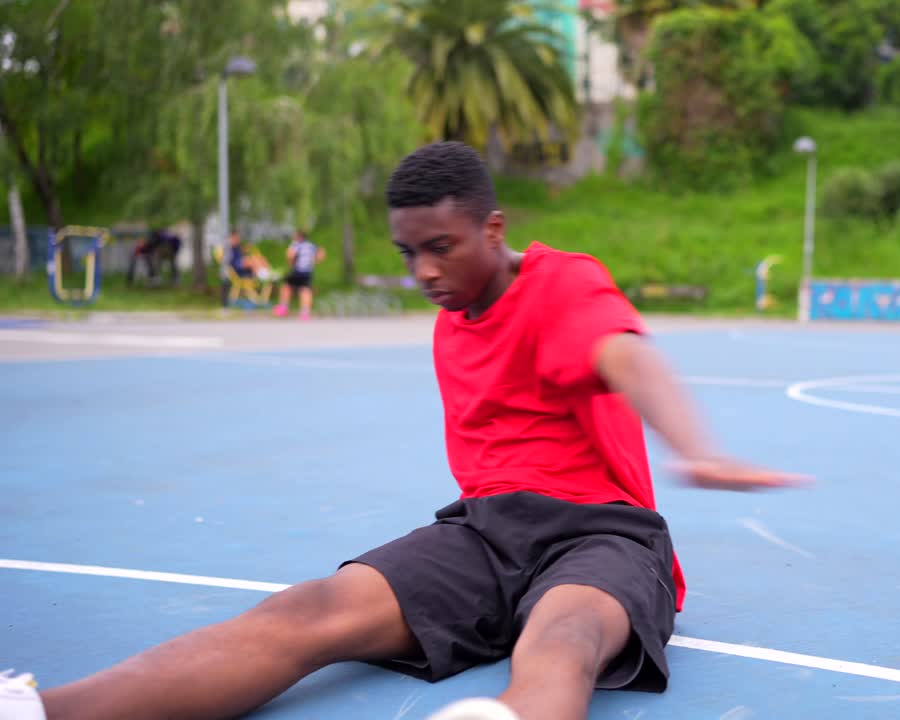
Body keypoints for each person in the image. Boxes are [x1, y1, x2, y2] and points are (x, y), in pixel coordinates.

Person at [0, 141, 805, 720]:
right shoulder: (454, 313)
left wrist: (696, 448)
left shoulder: (562, 283)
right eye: (409, 251)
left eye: (441, 248)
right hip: (485, 535)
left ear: (493, 230)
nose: (422, 271)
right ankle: (41, 709)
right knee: (307, 611)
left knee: (560, 639)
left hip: (604, 535)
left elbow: (624, 356)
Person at [272, 230, 325, 320]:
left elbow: (290, 255)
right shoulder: (311, 245)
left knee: (286, 287)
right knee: (305, 290)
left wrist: (291, 263)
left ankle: (283, 307)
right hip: (308, 271)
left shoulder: (296, 244)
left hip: (298, 270)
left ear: (299, 237)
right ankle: (305, 312)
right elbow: (322, 252)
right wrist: (314, 261)